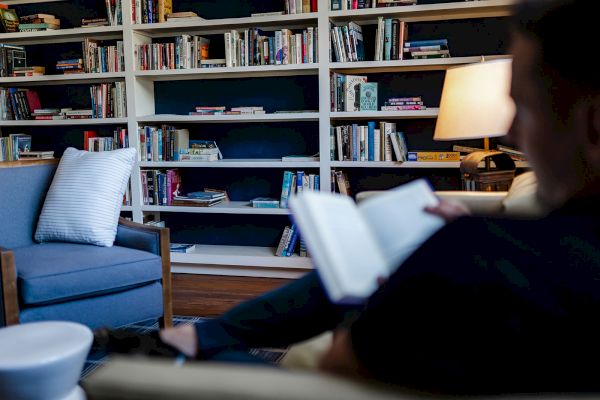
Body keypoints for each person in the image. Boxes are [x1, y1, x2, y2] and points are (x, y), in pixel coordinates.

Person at [99, 0, 600, 393]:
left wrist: (389, 287)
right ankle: (192, 334)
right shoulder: (515, 248)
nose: (511, 130)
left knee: (345, 277)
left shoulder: (479, 253)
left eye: (526, 109)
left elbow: (342, 364)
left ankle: (188, 344)